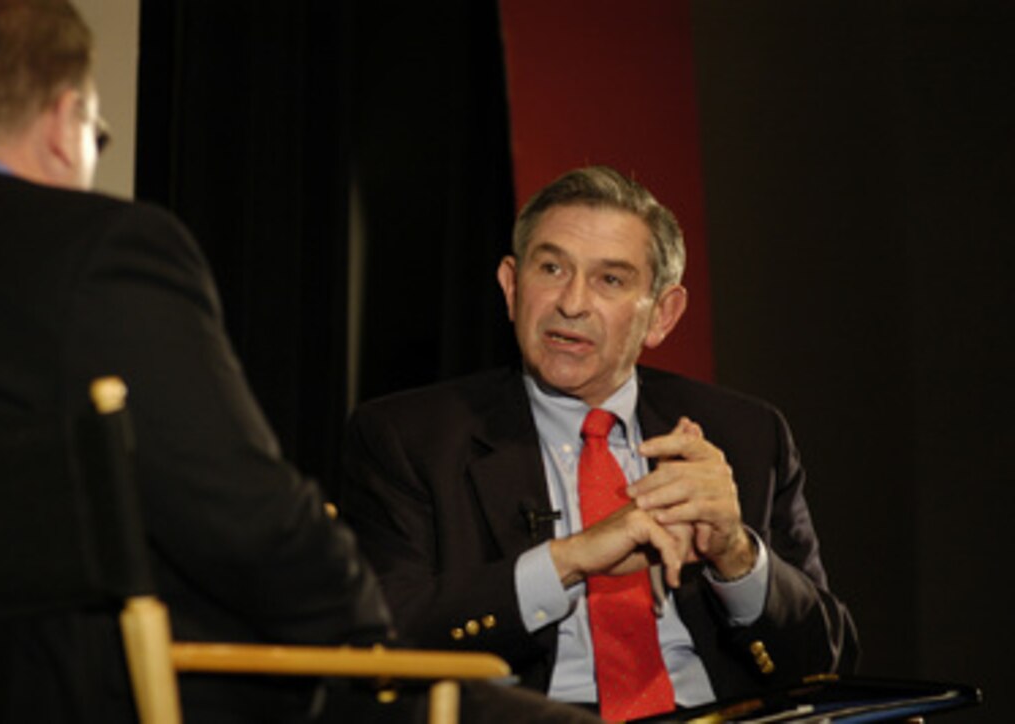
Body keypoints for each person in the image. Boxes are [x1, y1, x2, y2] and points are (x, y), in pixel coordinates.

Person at [0, 2, 601, 723]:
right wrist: (371, 649)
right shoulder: (100, 249)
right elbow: (248, 524)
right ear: (66, 123)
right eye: (99, 133)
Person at [341, 165, 859, 721]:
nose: (572, 302)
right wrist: (568, 559)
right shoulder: (411, 437)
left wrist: (734, 552)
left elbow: (826, 662)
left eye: (610, 279)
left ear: (662, 314)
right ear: (512, 288)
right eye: (552, 268)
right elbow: (381, 636)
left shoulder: (747, 434)